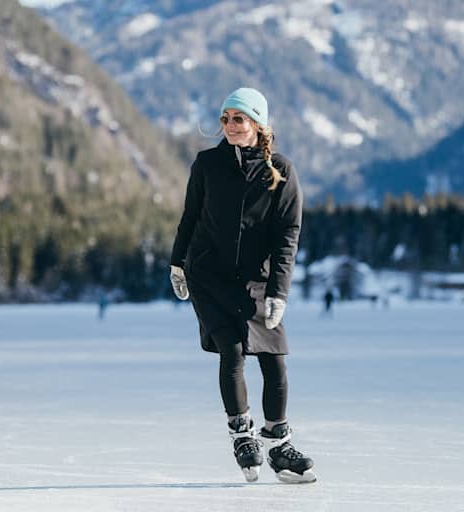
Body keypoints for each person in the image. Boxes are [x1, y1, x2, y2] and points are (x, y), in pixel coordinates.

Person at [168, 87, 316, 484]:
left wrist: (279, 290)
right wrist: (177, 264)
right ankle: (242, 435)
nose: (230, 126)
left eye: (239, 118)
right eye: (225, 119)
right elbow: (190, 217)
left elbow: (289, 234)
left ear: (258, 123)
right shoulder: (207, 165)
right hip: (208, 275)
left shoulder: (280, 172)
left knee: (274, 358)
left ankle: (279, 444)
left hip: (258, 279)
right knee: (232, 351)